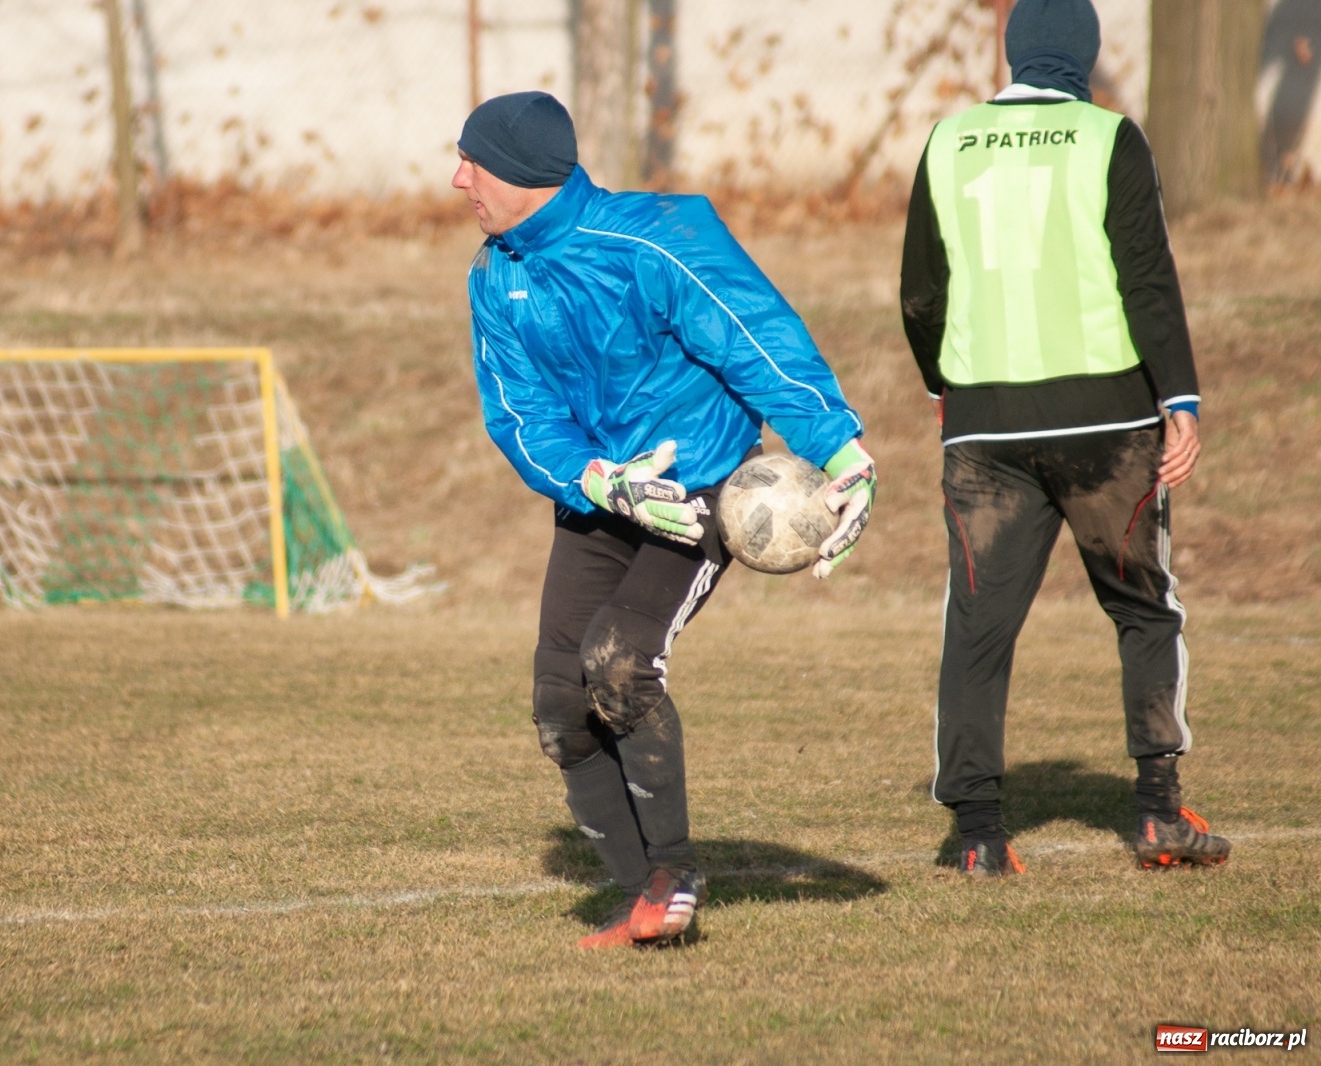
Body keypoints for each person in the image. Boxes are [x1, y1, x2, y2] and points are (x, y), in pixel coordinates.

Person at [454, 91, 874, 948]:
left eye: (473, 162)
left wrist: (841, 449)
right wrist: (594, 481)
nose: (458, 179)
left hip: (697, 496)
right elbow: (520, 414)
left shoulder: (659, 238)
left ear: (527, 175)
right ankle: (646, 899)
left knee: (619, 662)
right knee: (558, 710)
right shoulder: (494, 275)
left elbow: (755, 337)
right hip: (602, 500)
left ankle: (674, 876)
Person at [899, 0, 1230, 875]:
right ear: (1085, 56)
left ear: (1011, 54)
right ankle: (1158, 812)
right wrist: (1181, 398)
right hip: (1107, 427)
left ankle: (976, 837)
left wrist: (944, 384)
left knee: (976, 630)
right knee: (1143, 610)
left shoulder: (947, 141)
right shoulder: (1108, 137)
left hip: (985, 431)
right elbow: (1146, 276)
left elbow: (920, 293)